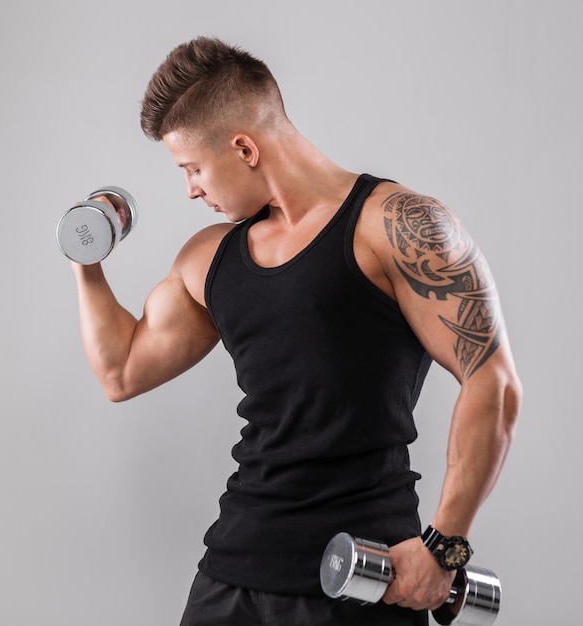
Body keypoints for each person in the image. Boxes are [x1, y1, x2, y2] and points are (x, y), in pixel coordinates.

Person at [70, 36, 522, 625]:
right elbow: (121, 371)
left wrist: (445, 545)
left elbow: (494, 382)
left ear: (244, 148)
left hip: (362, 576)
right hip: (232, 571)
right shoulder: (210, 259)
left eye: (193, 169)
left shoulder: (396, 225)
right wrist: (86, 258)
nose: (191, 190)